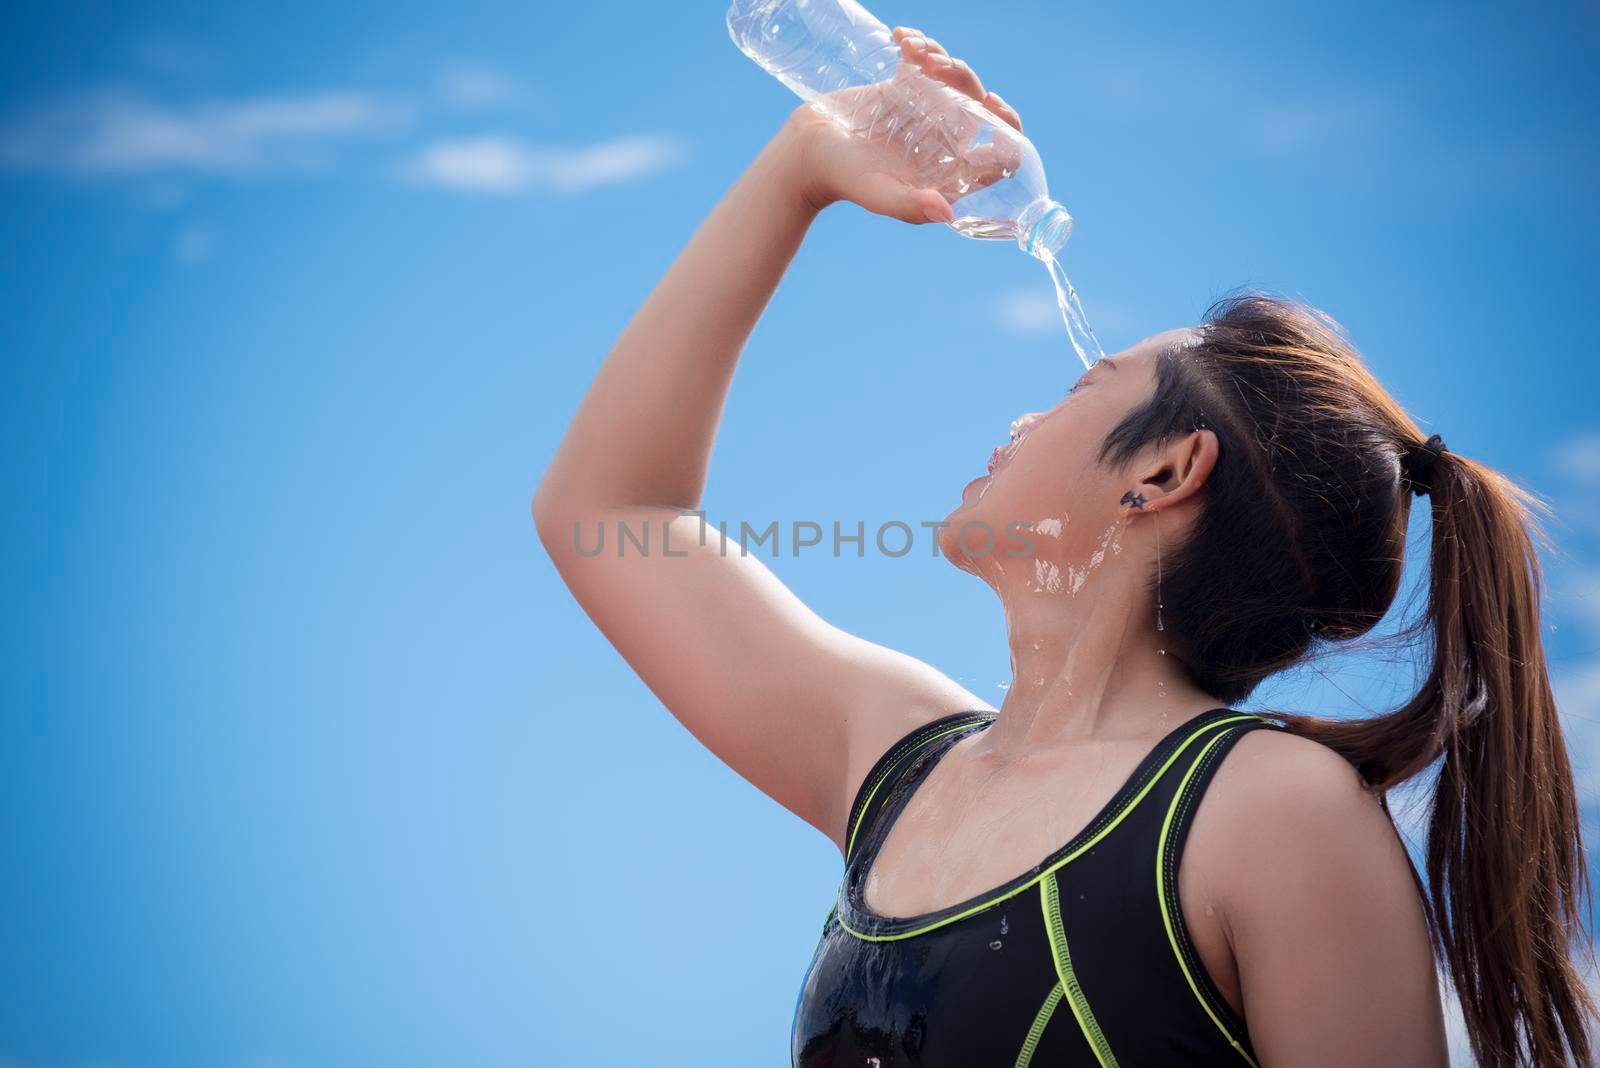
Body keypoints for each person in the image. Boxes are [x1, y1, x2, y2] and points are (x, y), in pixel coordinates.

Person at [532, 25, 1593, 1068]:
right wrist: (800, 164)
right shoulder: (898, 761)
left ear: (1165, 473)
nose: (1019, 423)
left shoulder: (1273, 811)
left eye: (1079, 389)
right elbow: (607, 513)